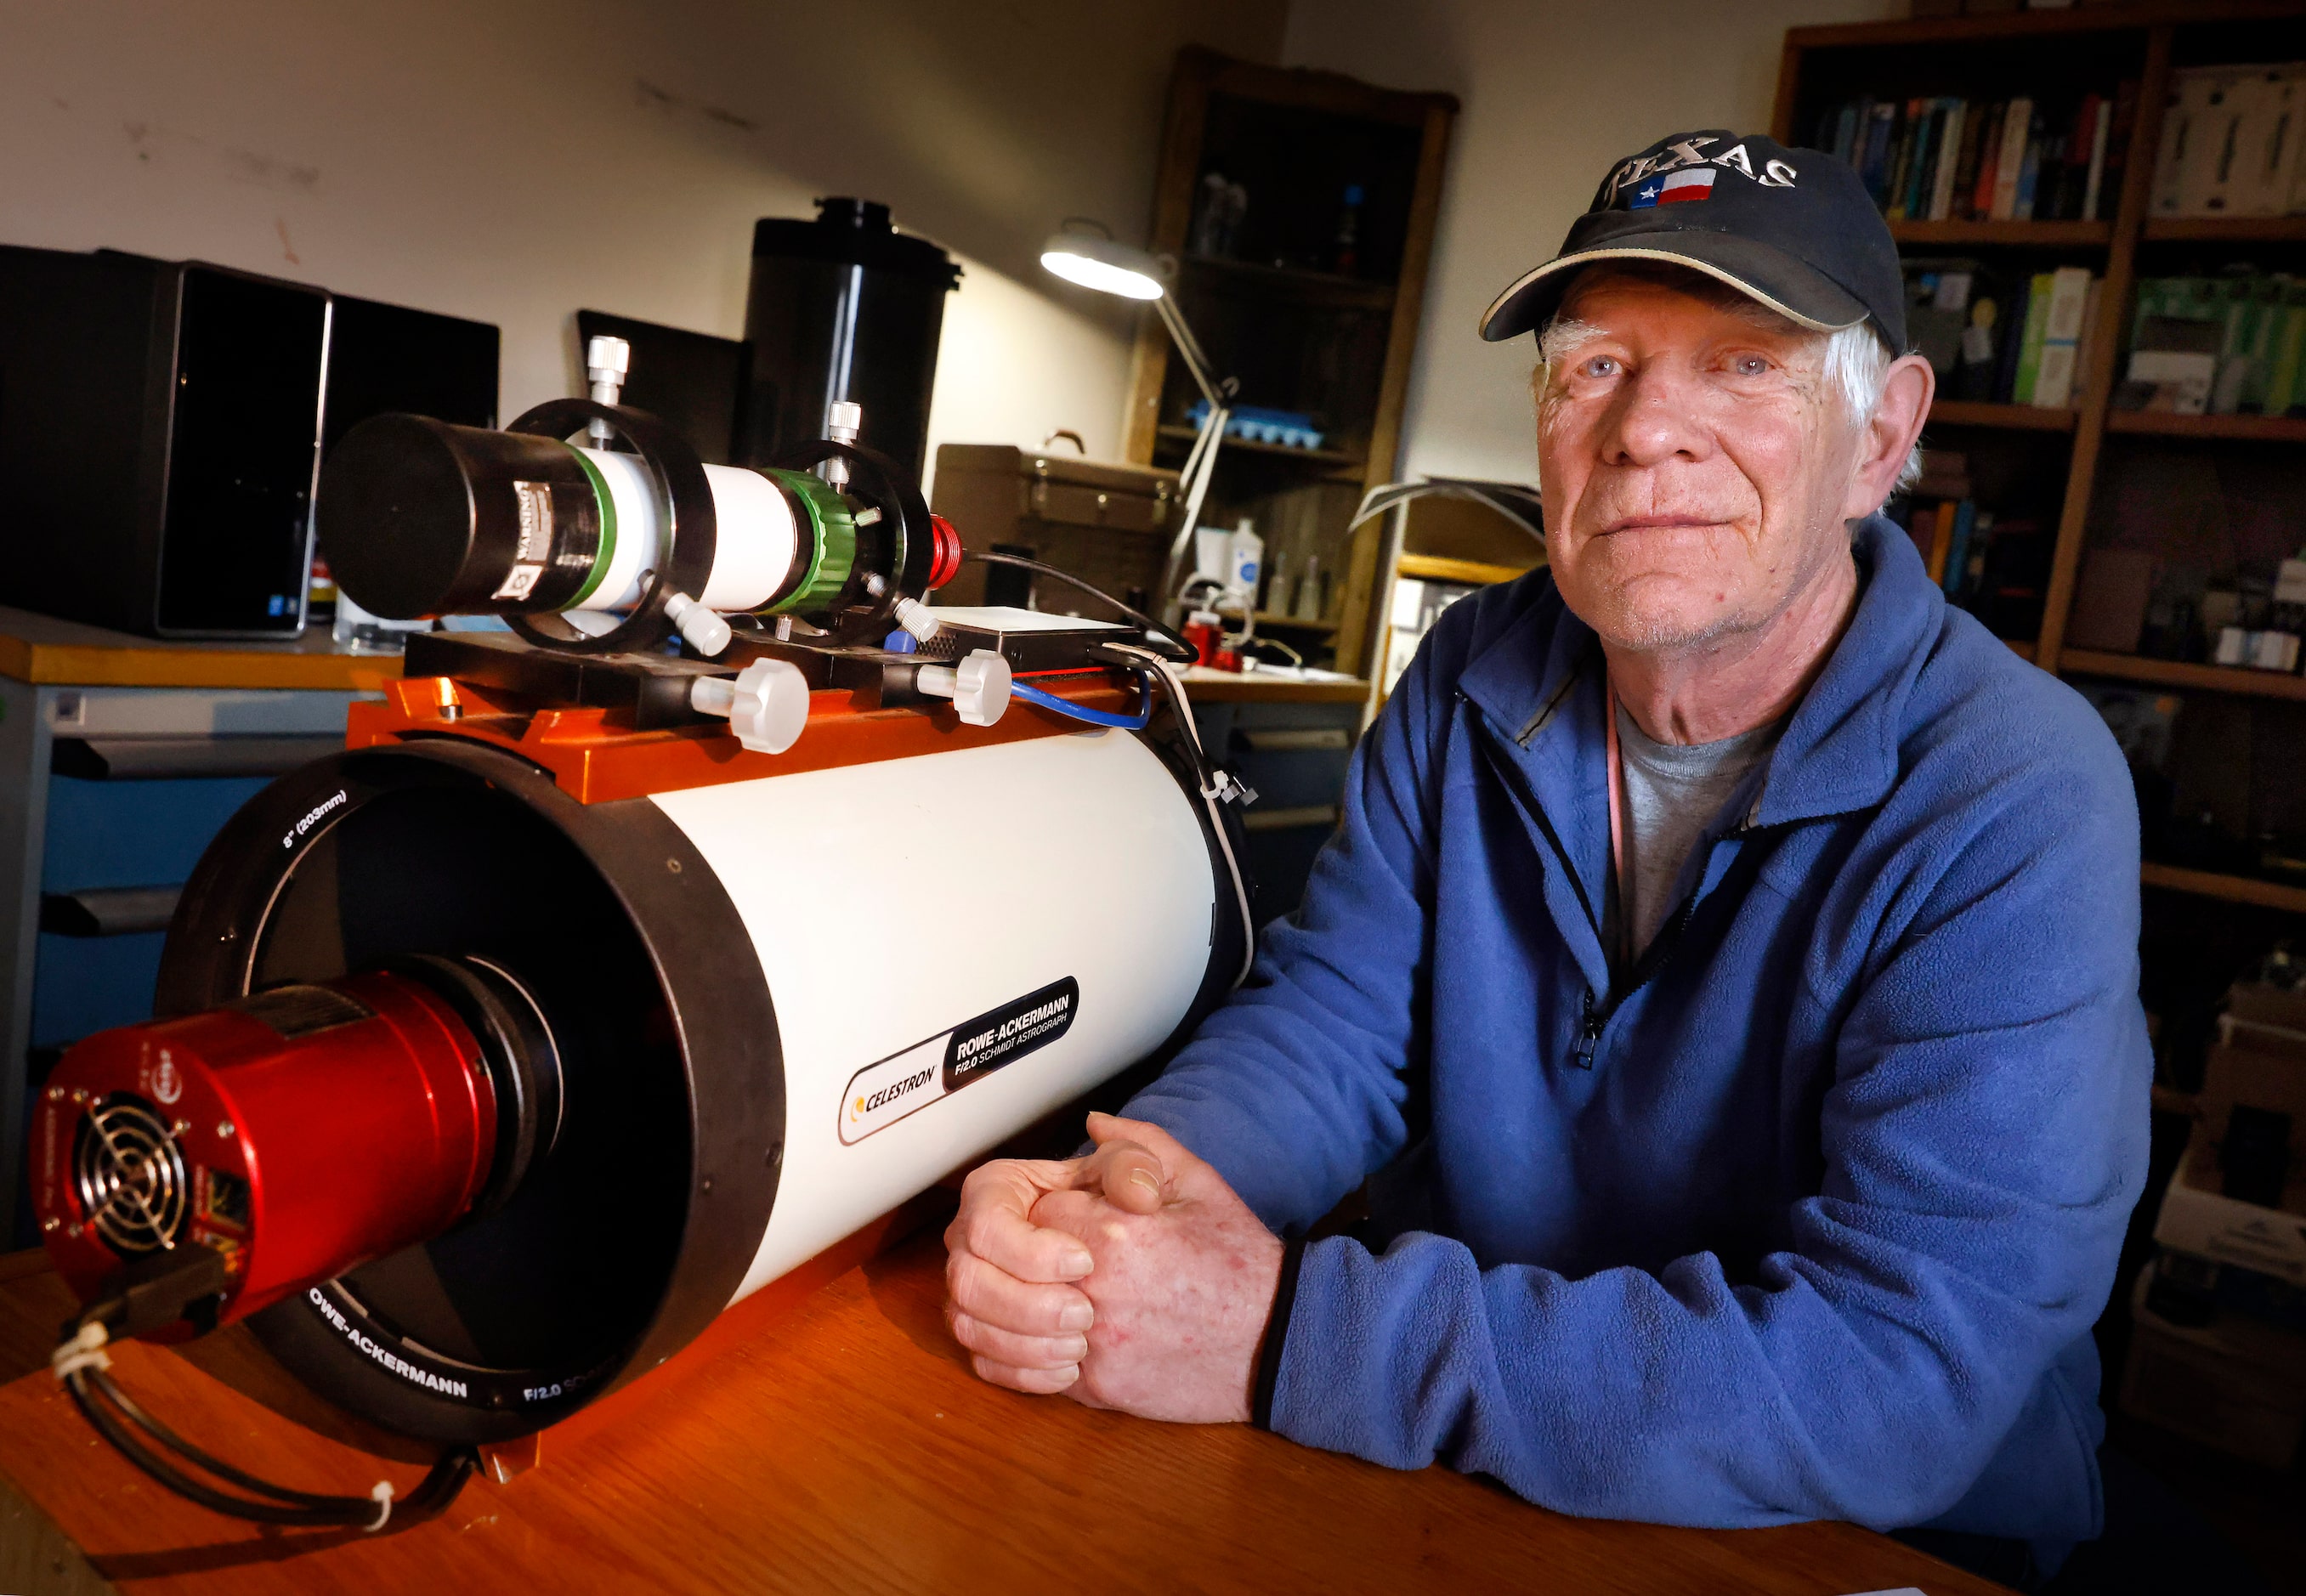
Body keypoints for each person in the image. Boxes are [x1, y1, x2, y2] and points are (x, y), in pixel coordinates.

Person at [943, 129, 2152, 1582]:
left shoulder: (2015, 786)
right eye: (1593, 367)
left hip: (1851, 1526)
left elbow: (1893, 1374)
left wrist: (1278, 1332)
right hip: (1467, 1454)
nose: (1644, 430)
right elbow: (1337, 1023)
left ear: (1881, 437)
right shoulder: (1468, 669)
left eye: (1744, 364)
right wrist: (1136, 1191)